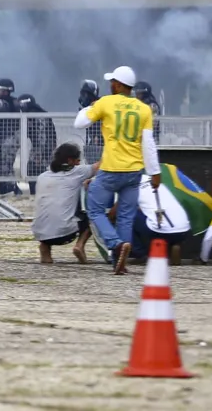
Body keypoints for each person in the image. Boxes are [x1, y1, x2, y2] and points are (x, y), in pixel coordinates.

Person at [74, 66, 161, 275]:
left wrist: (91, 107)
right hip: (134, 172)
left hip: (111, 169)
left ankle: (114, 244)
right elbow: (148, 144)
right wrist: (155, 172)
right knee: (126, 216)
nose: (110, 84)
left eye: (112, 81)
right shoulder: (144, 109)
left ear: (119, 85)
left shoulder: (106, 102)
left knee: (94, 208)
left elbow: (79, 123)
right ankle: (119, 262)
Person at [31, 143, 100, 264]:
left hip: (40, 233)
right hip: (65, 234)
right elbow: (102, 165)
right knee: (94, 213)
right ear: (70, 160)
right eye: (78, 160)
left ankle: (45, 249)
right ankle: (80, 245)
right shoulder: (77, 172)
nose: (79, 163)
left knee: (49, 206)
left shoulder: (42, 176)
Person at [18, 94, 57, 195]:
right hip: (43, 148)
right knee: (36, 172)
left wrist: (39, 154)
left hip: (42, 149)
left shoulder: (36, 115)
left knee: (34, 171)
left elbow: (42, 135)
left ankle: (37, 195)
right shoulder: (36, 113)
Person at [78, 80, 103, 164]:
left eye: (85, 95)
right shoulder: (88, 109)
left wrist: (98, 137)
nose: (83, 97)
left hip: (100, 141)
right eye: (83, 94)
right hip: (93, 141)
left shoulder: (100, 105)